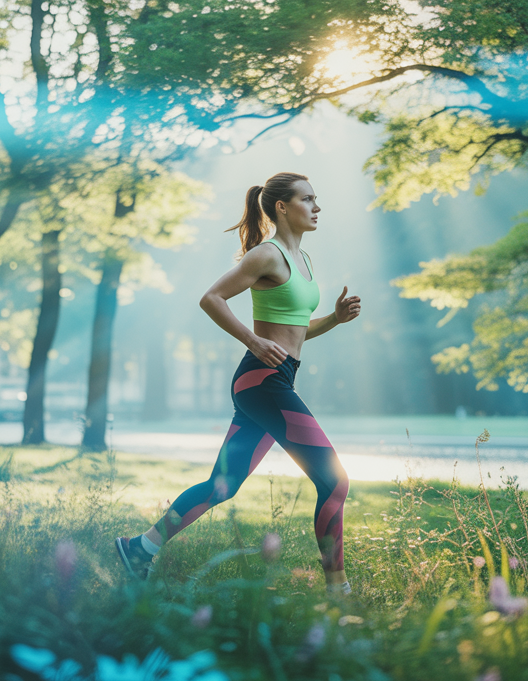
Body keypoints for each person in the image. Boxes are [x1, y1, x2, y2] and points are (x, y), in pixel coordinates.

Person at [115, 172, 362, 595]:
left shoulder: (303, 260)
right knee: (334, 480)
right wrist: (252, 338)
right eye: (308, 199)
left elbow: (296, 332)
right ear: (282, 207)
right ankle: (338, 593)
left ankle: (139, 548)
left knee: (222, 485)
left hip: (273, 378)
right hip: (262, 381)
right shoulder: (266, 255)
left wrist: (334, 320)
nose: (317, 207)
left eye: (316, 199)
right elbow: (211, 298)